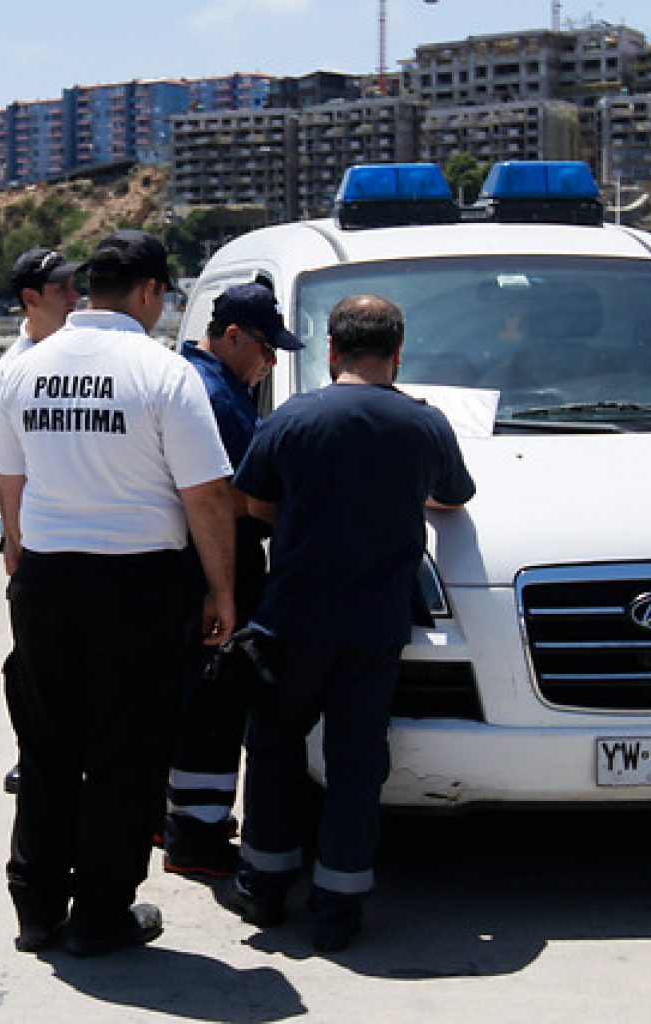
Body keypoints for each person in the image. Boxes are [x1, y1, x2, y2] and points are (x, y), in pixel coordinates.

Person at [0, 228, 236, 957]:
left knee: (47, 744)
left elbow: (9, 475)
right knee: (125, 753)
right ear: (150, 291)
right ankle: (100, 912)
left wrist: (18, 549)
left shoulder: (26, 368)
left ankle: (36, 906)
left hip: (46, 578)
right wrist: (221, 589)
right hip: (136, 582)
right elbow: (206, 495)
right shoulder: (163, 372)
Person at [227, 294, 475, 952]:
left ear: (332, 349)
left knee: (274, 749)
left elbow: (253, 501)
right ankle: (339, 906)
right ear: (398, 353)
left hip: (293, 619)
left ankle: (265, 886)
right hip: (374, 627)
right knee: (357, 766)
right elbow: (453, 497)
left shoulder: (292, 417)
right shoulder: (424, 423)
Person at [164, 282, 304, 879]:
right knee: (216, 700)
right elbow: (231, 495)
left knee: (190, 698)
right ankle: (196, 837)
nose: (271, 362)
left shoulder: (189, 378)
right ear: (232, 336)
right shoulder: (217, 396)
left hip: (188, 561)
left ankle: (179, 819)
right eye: (267, 349)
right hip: (217, 561)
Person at [0, 246, 80, 797]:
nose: (75, 297)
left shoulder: (87, 351)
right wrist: (14, 540)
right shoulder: (13, 370)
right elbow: (6, 466)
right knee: (32, 656)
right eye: (62, 289)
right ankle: (34, 754)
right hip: (38, 536)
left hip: (88, 531)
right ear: (30, 298)